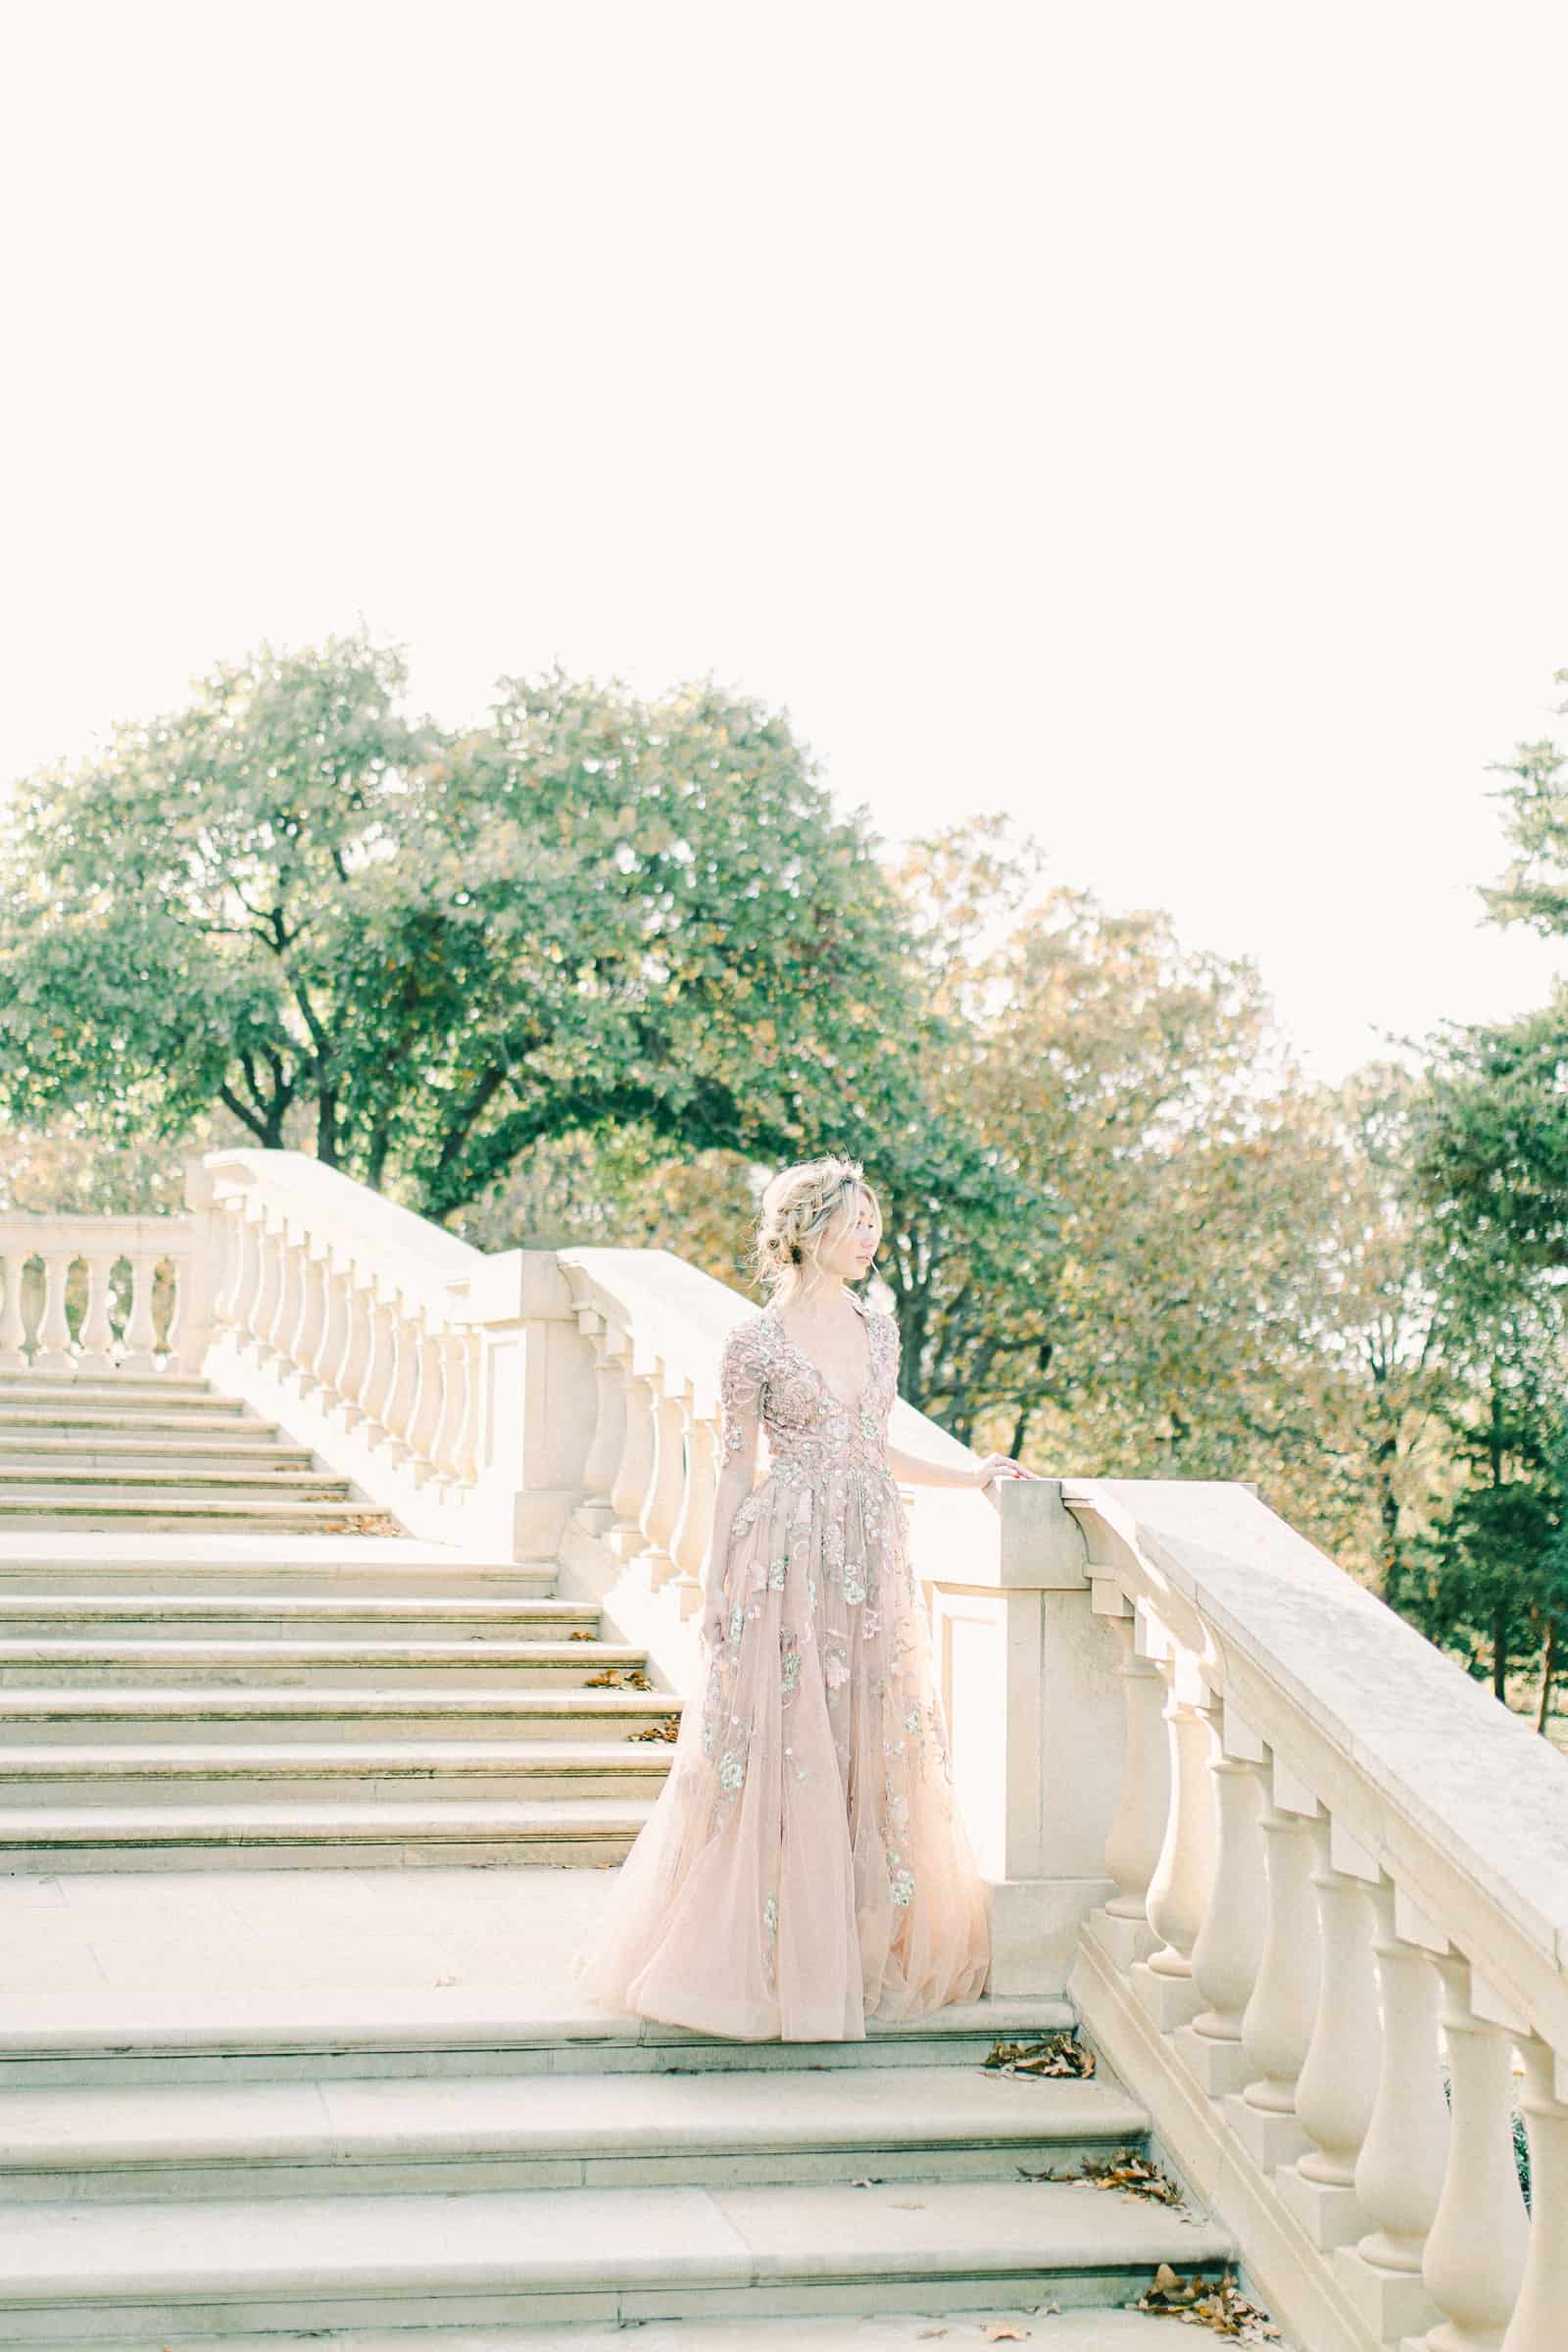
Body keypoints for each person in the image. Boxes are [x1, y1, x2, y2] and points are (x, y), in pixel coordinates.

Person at [569, 1153, 1034, 2041]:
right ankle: (759, 1961)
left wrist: (968, 1472)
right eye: (857, 1225)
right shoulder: (755, 1345)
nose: (872, 1239)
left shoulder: (879, 1332)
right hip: (781, 1559)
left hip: (867, 1553)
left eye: (873, 1226)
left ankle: (848, 1955)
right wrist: (716, 1585)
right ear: (810, 1230)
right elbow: (735, 1467)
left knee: (868, 1745)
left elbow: (874, 1445)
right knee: (777, 1750)